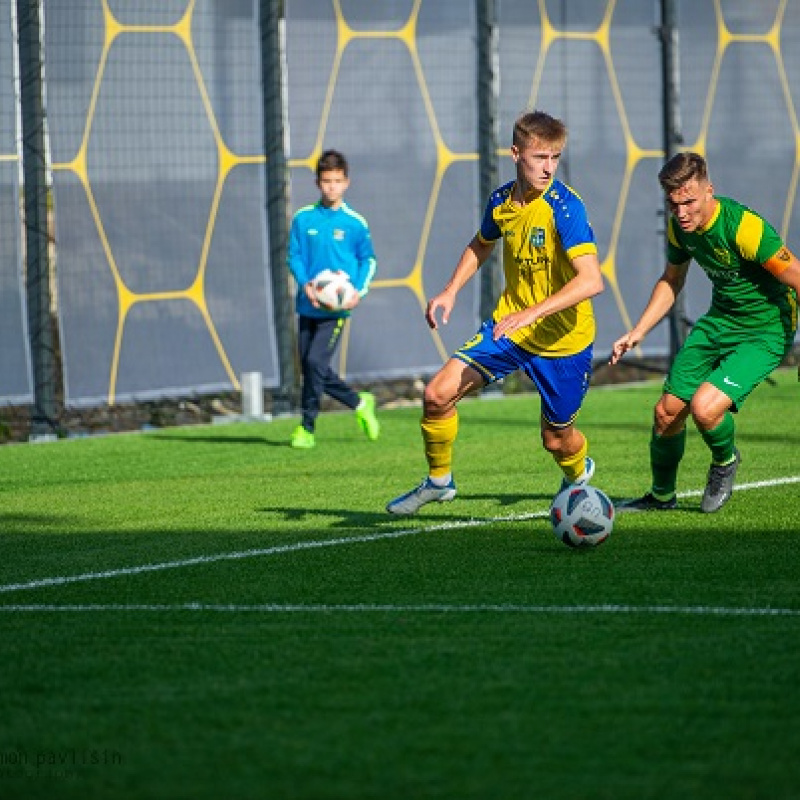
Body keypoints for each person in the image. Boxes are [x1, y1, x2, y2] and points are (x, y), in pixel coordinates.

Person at [387, 110, 605, 515]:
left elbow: (592, 281)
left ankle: (578, 476)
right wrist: (450, 291)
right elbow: (481, 243)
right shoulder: (501, 201)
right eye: (540, 157)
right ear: (516, 153)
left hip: (564, 340)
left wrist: (533, 313)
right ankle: (439, 482)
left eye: (555, 157)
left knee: (556, 440)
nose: (548, 167)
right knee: (437, 395)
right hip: (510, 329)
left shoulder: (565, 207)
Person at [610, 151, 800, 513]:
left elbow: (798, 279)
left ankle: (725, 461)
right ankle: (661, 497)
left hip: (766, 329)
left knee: (704, 408)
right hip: (720, 321)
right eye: (673, 204)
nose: (681, 212)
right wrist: (638, 331)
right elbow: (671, 280)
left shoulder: (744, 228)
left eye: (689, 202)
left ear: (709, 190)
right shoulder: (679, 228)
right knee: (666, 412)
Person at [287, 149, 380, 449]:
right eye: (326, 181)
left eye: (337, 181)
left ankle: (307, 428)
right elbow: (294, 256)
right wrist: (306, 286)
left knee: (315, 362)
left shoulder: (355, 222)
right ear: (318, 182)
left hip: (336, 309)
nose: (332, 187)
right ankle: (358, 403)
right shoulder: (303, 219)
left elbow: (369, 260)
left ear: (346, 182)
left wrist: (357, 291)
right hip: (308, 304)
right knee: (310, 366)